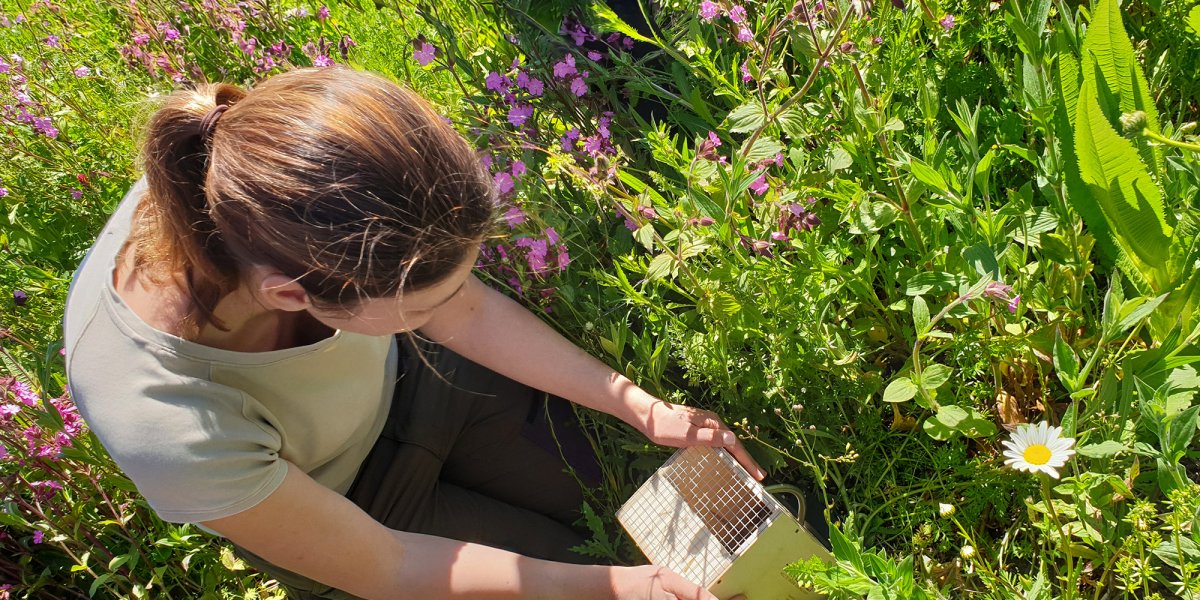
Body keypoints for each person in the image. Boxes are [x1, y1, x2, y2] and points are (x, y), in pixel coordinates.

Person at [63, 66, 762, 599]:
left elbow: (470, 316)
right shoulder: (163, 420)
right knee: (585, 571)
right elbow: (389, 565)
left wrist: (640, 407)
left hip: (423, 384)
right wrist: (616, 587)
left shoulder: (283, 182)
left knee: (636, 496)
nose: (461, 302)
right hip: (357, 508)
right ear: (292, 296)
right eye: (429, 301)